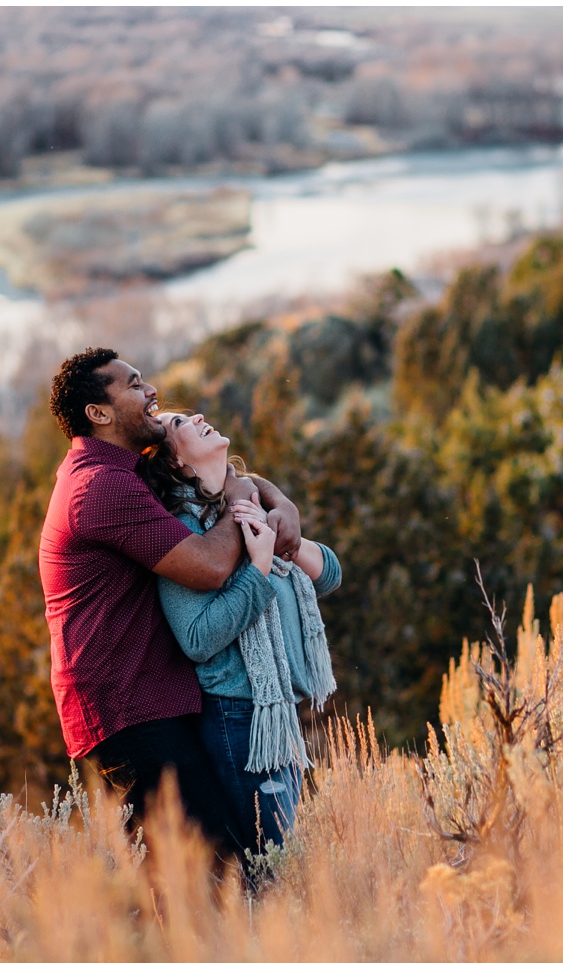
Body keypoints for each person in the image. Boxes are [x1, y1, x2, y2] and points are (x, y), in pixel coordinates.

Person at [38, 347, 302, 857]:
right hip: (125, 706)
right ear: (99, 414)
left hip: (150, 696)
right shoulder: (100, 487)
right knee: (202, 868)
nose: (152, 391)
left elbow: (198, 476)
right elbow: (208, 567)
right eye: (135, 385)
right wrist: (245, 500)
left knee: (205, 861)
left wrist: (272, 496)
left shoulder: (117, 470)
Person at [142, 409, 341, 856]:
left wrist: (285, 534)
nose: (196, 415)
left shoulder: (252, 505)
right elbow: (198, 638)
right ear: (175, 463)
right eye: (179, 424)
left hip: (277, 713)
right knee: (275, 867)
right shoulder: (185, 532)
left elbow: (328, 576)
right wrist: (261, 567)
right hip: (240, 719)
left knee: (284, 861)